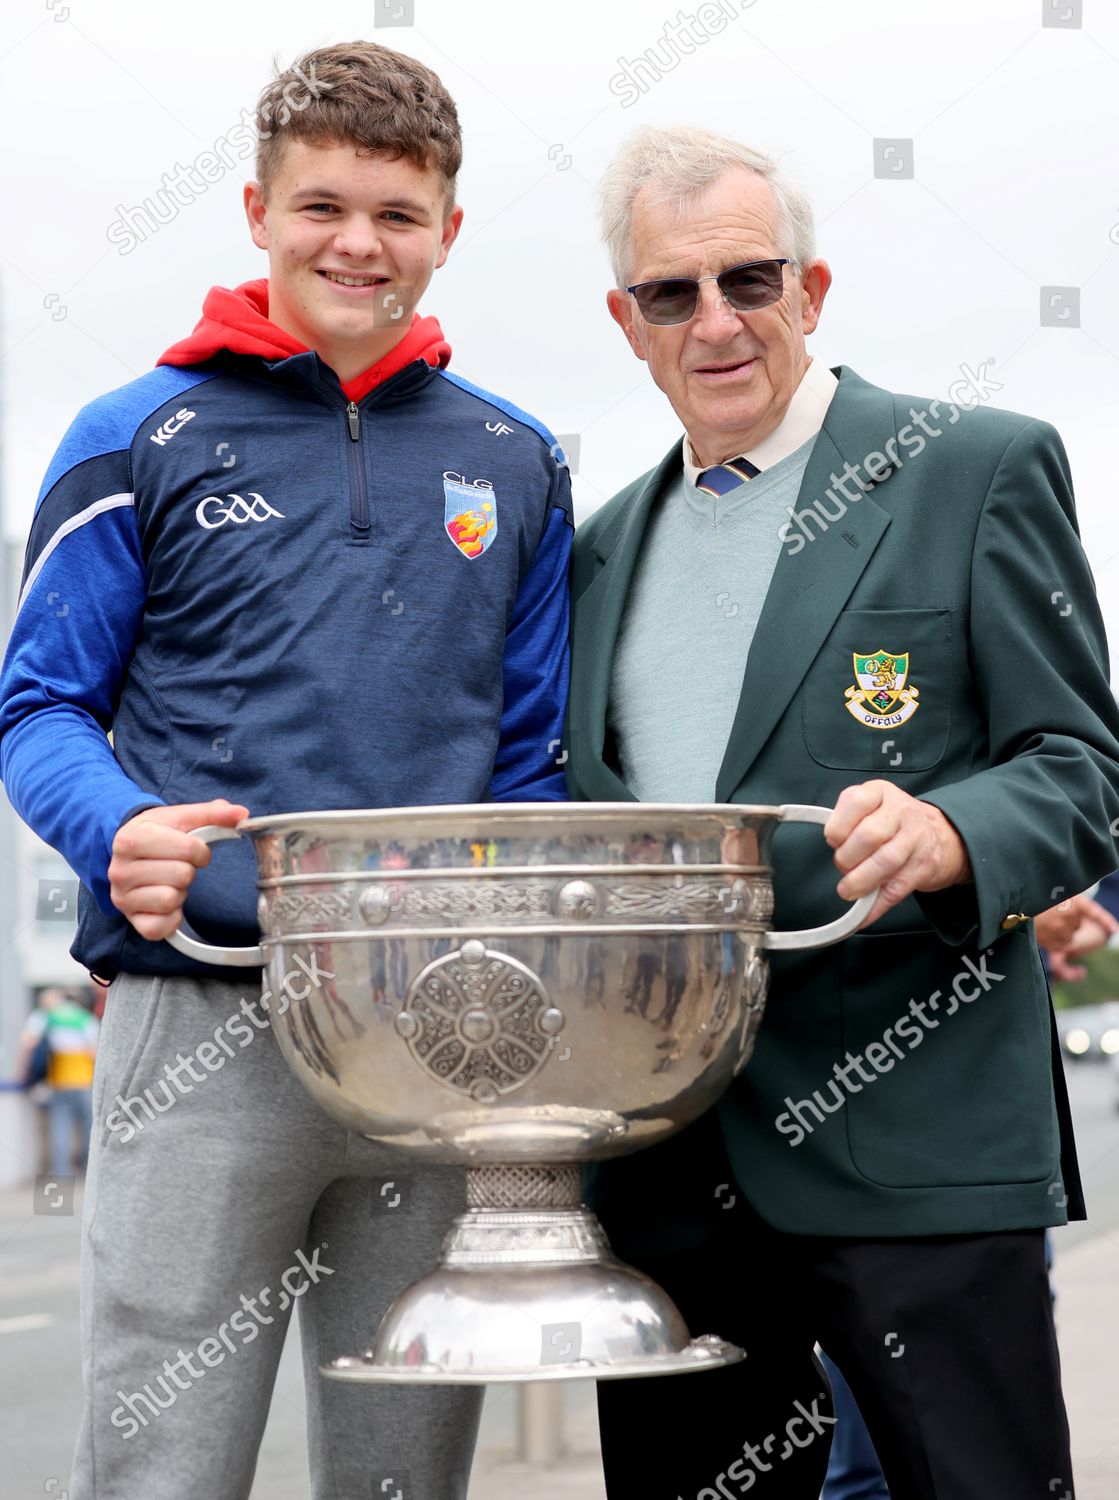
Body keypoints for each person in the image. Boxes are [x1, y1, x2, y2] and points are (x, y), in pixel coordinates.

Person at [0, 41, 571, 1500]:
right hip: (199, 1020)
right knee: (160, 1467)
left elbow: (528, 764)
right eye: (322, 206)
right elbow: (37, 705)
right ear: (256, 209)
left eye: (397, 214)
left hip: (429, 1039)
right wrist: (115, 821)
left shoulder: (515, 461)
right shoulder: (132, 435)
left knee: (402, 1475)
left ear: (447, 229)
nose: (358, 245)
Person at [566, 124, 1119, 1499]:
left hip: (913, 1143)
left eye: (748, 281)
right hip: (671, 1175)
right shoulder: (590, 554)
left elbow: (1075, 766)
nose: (715, 321)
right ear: (625, 322)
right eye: (669, 295)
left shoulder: (972, 467)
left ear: (810, 292)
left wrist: (949, 835)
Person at [18, 987, 99, 1175]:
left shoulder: (46, 1016)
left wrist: (23, 1073)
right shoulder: (85, 1018)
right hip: (85, 1082)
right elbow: (95, 1052)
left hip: (60, 1082)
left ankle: (61, 1172)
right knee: (89, 1128)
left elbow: (27, 1043)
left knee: (60, 1128)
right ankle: (89, 1170)